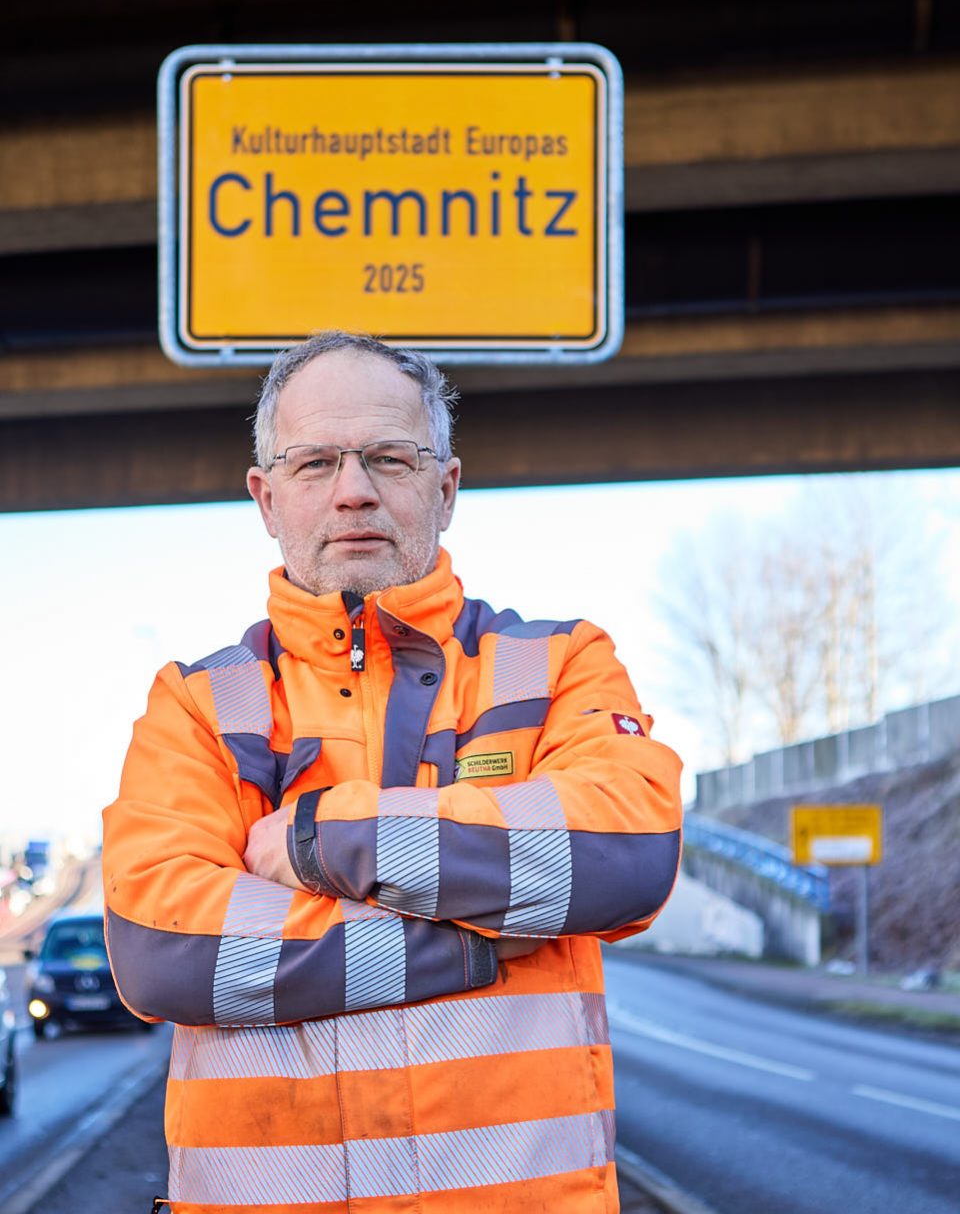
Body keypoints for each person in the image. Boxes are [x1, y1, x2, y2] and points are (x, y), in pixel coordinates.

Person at [102, 330, 683, 1214]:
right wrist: (470, 940)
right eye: (315, 463)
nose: (354, 491)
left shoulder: (560, 662)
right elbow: (165, 950)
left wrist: (316, 838)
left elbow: (625, 856)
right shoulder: (197, 704)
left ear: (446, 488)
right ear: (267, 499)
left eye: (389, 457)